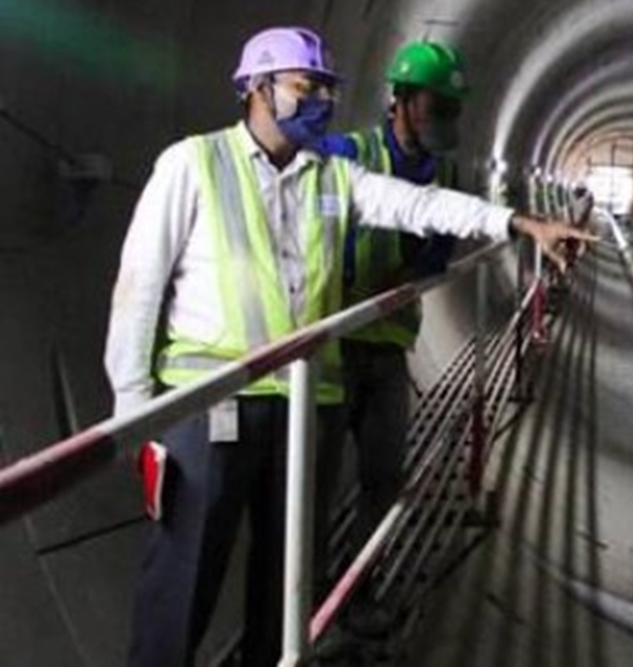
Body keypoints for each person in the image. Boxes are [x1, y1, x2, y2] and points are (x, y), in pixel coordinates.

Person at [104, 26, 590, 667]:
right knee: (185, 576)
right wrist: (134, 408)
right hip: (210, 409)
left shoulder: (334, 176)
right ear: (257, 88)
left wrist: (519, 222)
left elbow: (422, 204)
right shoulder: (193, 164)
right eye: (306, 87)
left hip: (306, 406)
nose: (322, 103)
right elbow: (138, 288)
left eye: (328, 91)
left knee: (287, 581)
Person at [312, 41, 468, 562]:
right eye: (435, 103)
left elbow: (438, 255)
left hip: (389, 347)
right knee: (315, 482)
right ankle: (302, 602)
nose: (444, 117)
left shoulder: (445, 175)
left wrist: (403, 275)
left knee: (384, 477)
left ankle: (359, 592)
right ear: (400, 99)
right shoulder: (348, 155)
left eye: (451, 107)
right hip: (334, 349)